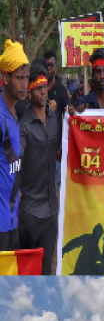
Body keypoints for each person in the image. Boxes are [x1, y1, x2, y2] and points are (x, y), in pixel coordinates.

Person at [17, 61, 60, 274]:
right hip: (30, 214)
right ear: (30, 91)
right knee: (27, 273)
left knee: (46, 272)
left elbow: (59, 152)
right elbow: (17, 163)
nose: (43, 92)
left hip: (52, 212)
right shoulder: (23, 126)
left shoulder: (54, 119)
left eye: (45, 87)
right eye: (38, 88)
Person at [0, 40, 29, 252]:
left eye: (26, 78)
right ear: (5, 78)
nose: (25, 84)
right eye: (19, 78)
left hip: (12, 219)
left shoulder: (14, 113)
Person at [41, 50, 70, 121]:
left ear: (56, 68)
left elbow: (67, 114)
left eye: (51, 65)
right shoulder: (38, 89)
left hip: (57, 131)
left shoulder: (61, 90)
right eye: (46, 65)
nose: (48, 68)